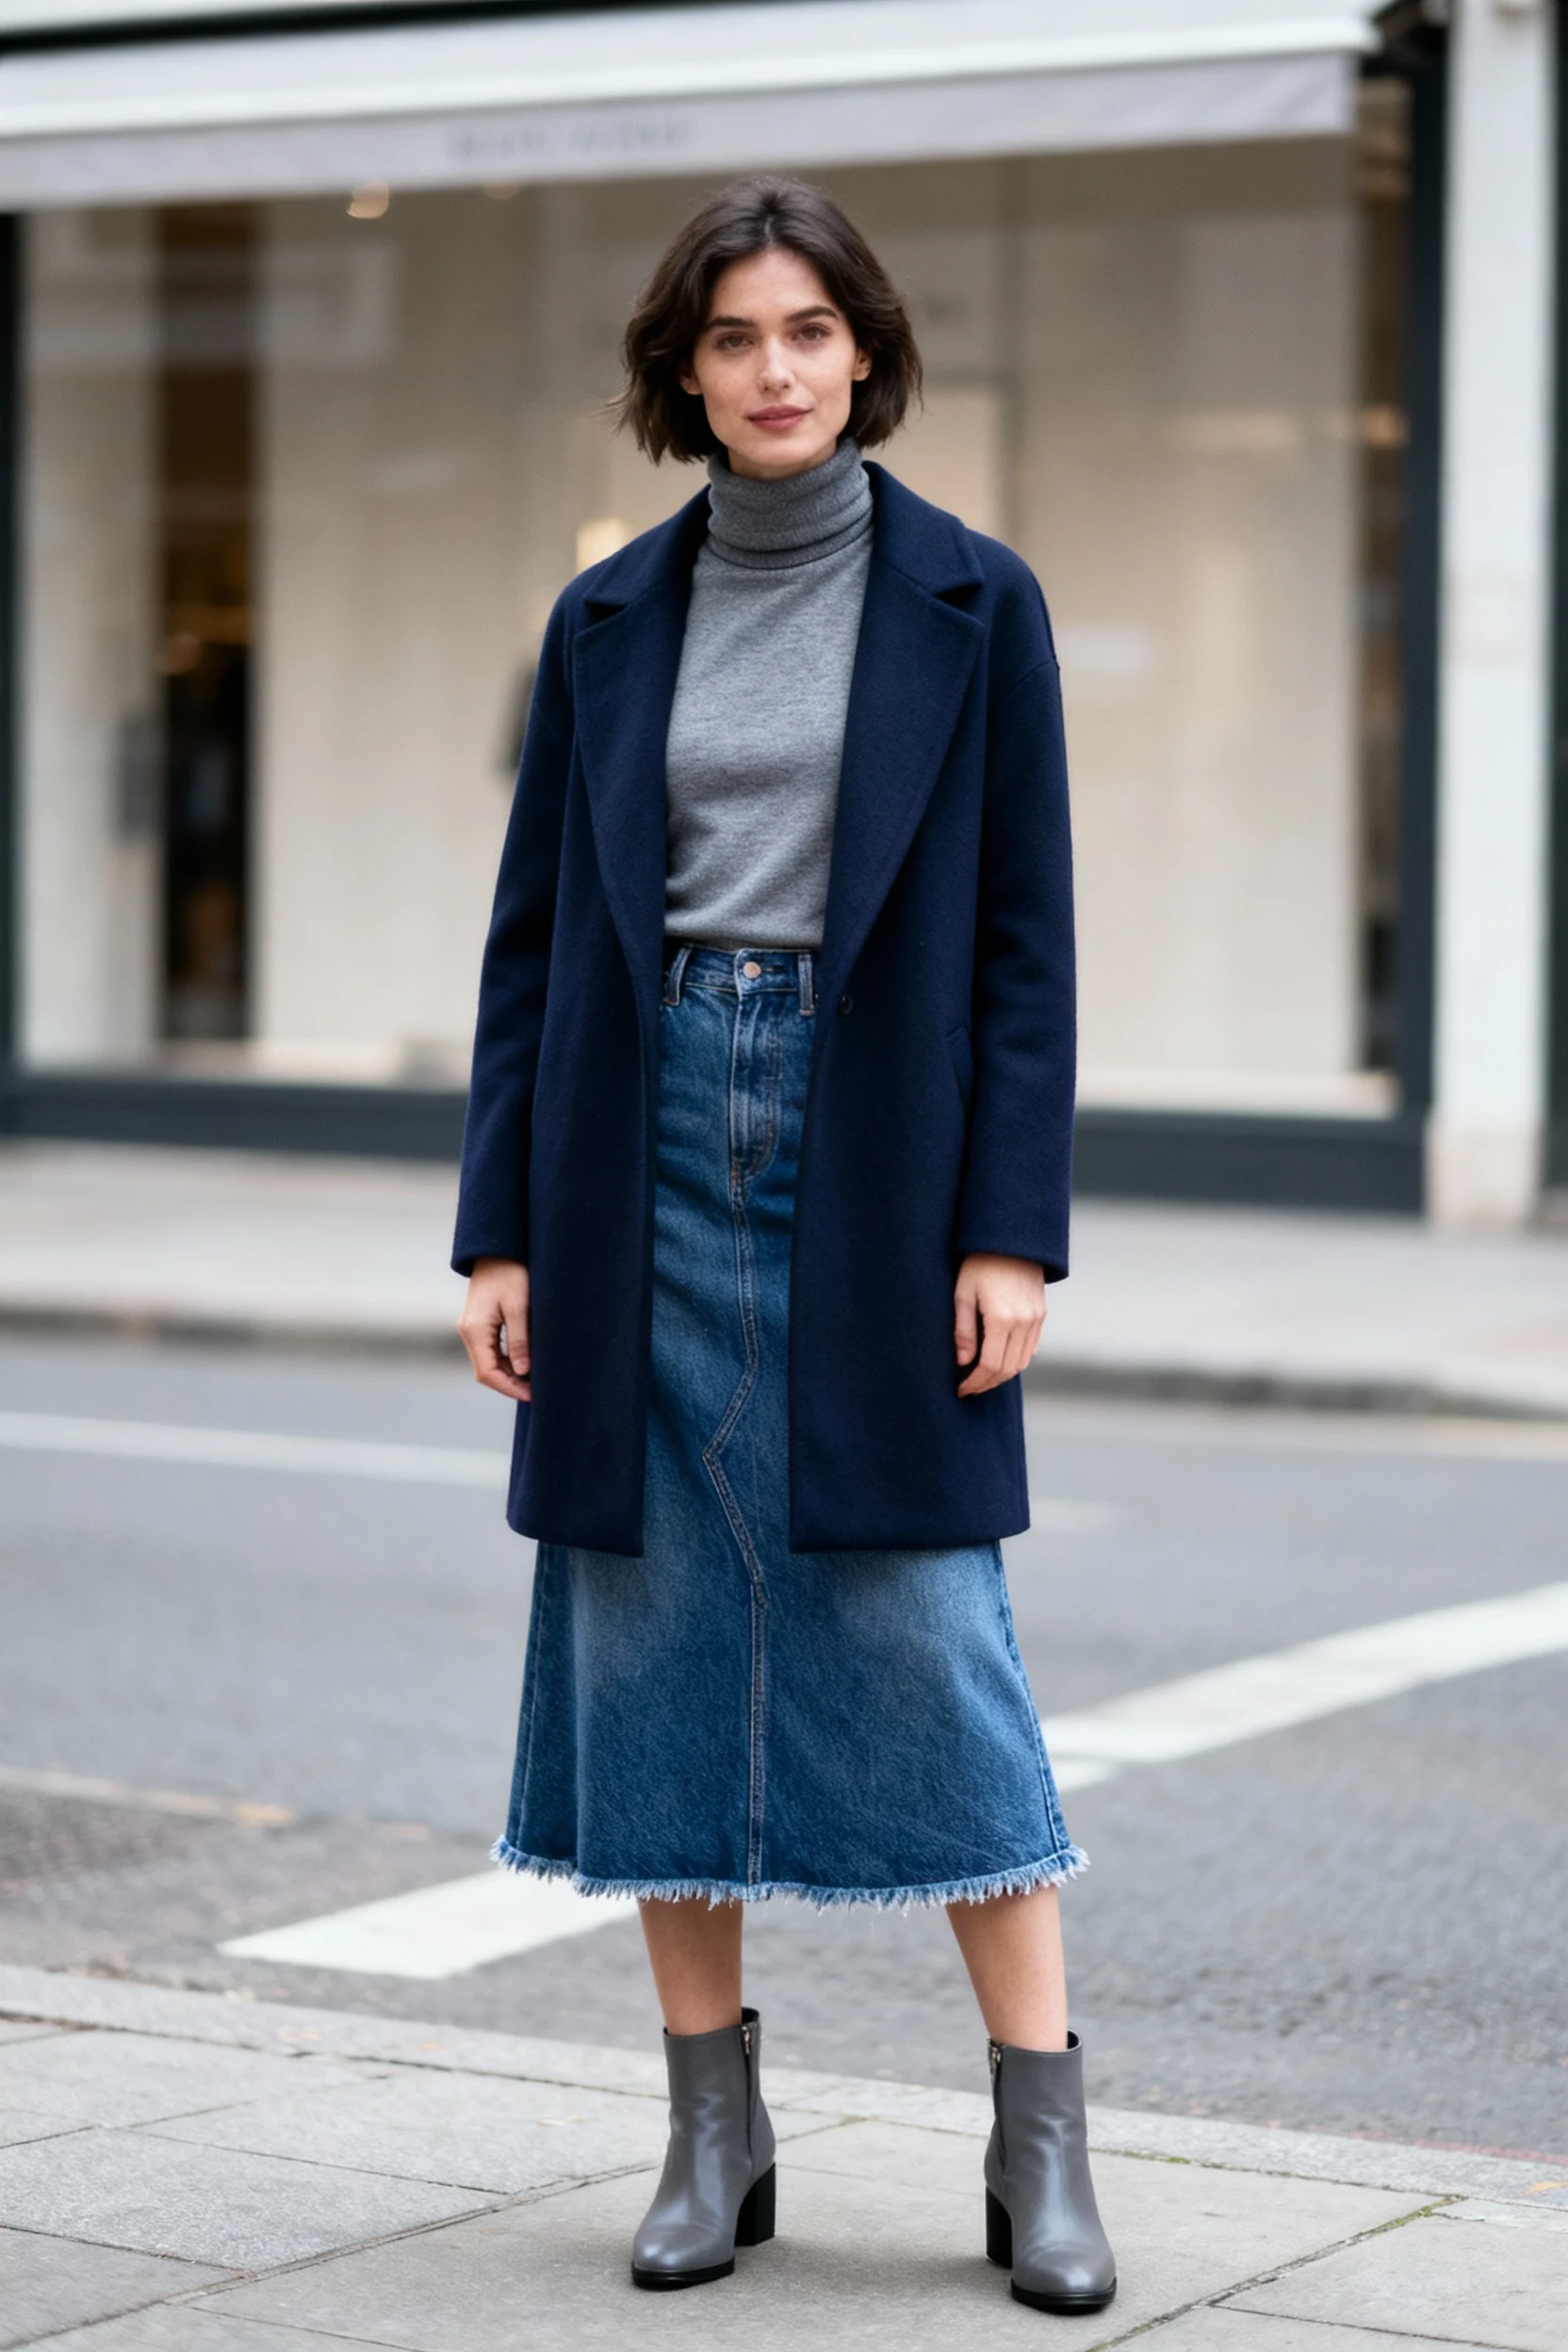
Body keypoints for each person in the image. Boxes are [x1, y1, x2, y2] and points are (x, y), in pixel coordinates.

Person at [453, 174, 1115, 2316]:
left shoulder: (970, 603)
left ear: (864, 352)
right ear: (682, 371)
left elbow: (1024, 949)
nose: (771, 371)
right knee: (645, 1639)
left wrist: (1011, 1231)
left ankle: (1039, 2153)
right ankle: (709, 2133)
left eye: (805, 333)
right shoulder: (606, 621)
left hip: (871, 1148)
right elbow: (535, 944)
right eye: (731, 338)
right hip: (630, 1147)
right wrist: (501, 1237)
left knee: (928, 1645)